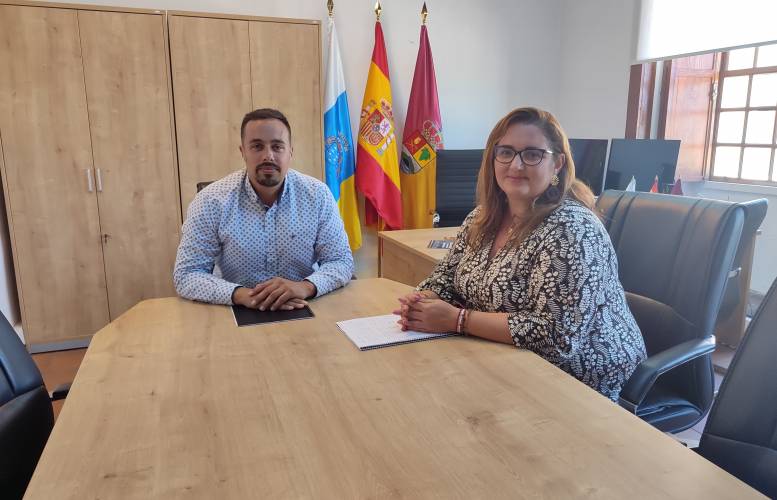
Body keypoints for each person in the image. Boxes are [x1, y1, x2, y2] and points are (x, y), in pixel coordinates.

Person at [395, 107, 646, 402]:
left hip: (580, 384)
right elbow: (446, 278)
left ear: (557, 164)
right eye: (505, 152)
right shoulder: (482, 217)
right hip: (502, 360)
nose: (515, 164)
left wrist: (458, 320)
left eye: (532, 154)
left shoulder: (572, 229)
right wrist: (423, 300)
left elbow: (556, 337)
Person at [174, 108, 354, 311]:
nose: (268, 156)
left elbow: (341, 261)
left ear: (290, 151)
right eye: (257, 146)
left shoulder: (318, 195)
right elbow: (187, 274)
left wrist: (305, 287)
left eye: (277, 147)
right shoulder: (211, 201)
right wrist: (243, 295)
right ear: (243, 152)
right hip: (236, 310)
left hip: (304, 305)